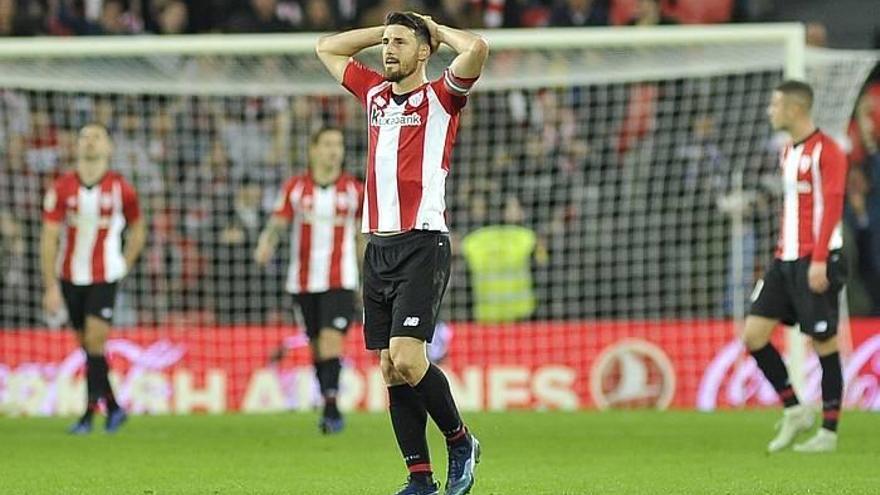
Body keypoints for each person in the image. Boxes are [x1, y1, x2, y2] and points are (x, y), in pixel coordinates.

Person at [316, 11, 488, 495]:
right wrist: (384, 30)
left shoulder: (442, 97)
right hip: (378, 245)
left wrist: (433, 28)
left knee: (408, 358)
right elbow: (326, 47)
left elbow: (477, 49)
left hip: (422, 241)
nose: (388, 50)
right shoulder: (373, 93)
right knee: (390, 367)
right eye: (385, 43)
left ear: (424, 52)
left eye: (399, 43)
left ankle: (461, 441)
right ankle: (420, 478)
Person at [744, 80, 848, 453]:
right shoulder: (787, 151)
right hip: (784, 260)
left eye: (775, 105)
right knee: (753, 335)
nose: (770, 111)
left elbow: (832, 206)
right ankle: (795, 409)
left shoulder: (828, 150)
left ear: (795, 109)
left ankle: (829, 432)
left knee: (823, 341)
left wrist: (818, 260)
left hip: (815, 260)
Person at [255, 127, 364, 434]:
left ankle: (331, 408)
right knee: (316, 346)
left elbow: (361, 235)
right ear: (313, 150)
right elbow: (278, 222)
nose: (334, 150)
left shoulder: (354, 190)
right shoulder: (296, 188)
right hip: (302, 282)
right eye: (327, 144)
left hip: (341, 279)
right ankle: (328, 401)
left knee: (331, 341)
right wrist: (265, 244)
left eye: (338, 144)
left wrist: (366, 275)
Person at [40, 123, 147, 434]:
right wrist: (50, 285)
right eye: (84, 136)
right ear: (76, 146)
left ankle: (88, 416)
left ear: (108, 147)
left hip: (104, 276)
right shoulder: (62, 188)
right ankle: (113, 407)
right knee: (88, 346)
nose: (90, 142)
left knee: (96, 340)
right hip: (69, 276)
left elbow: (138, 228)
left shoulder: (122, 188)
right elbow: (49, 237)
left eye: (97, 137)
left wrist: (124, 263)